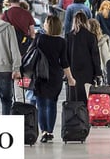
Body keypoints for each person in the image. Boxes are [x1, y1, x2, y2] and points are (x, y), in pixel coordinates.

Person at [34, 15, 76, 143]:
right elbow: (64, 62)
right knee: (52, 103)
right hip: (55, 76)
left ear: (49, 25)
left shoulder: (39, 39)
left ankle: (44, 131)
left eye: (46, 22)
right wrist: (70, 78)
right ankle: (50, 131)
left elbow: (32, 55)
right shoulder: (61, 42)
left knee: (41, 104)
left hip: (40, 75)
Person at [66, 11, 102, 103]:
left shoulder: (69, 36)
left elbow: (66, 56)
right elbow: (95, 56)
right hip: (88, 72)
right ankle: (85, 115)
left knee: (74, 97)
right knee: (87, 97)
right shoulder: (91, 36)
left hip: (73, 71)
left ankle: (74, 114)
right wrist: (98, 73)